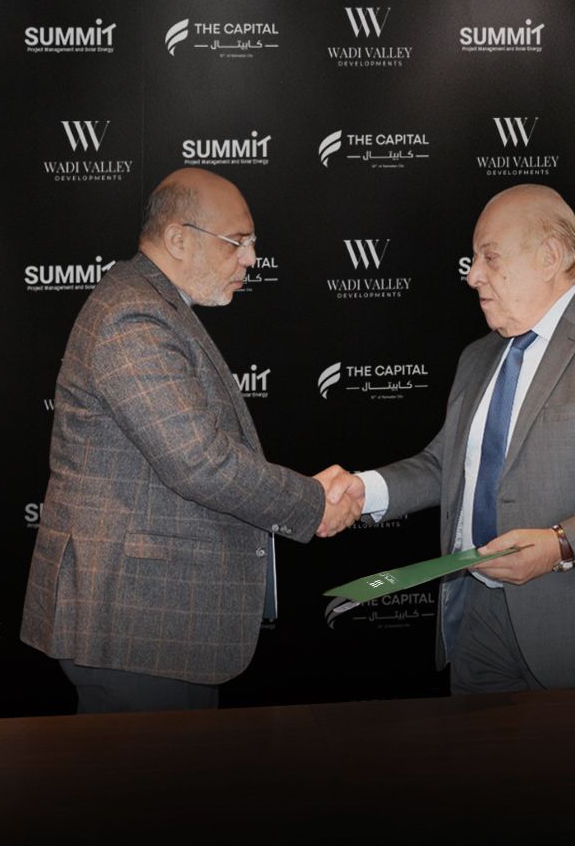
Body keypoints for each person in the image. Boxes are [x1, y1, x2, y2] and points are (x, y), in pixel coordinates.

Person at [327, 184, 575, 692]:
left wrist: (559, 546)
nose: (472, 274)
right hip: (477, 624)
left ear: (549, 256)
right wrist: (363, 490)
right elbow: (447, 466)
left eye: (490, 256)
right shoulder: (477, 356)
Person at [21, 168, 361, 713]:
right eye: (237, 241)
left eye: (252, 242)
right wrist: (313, 503)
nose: (251, 258)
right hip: (134, 625)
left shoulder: (155, 306)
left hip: (151, 626)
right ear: (178, 238)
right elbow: (200, 462)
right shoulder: (133, 314)